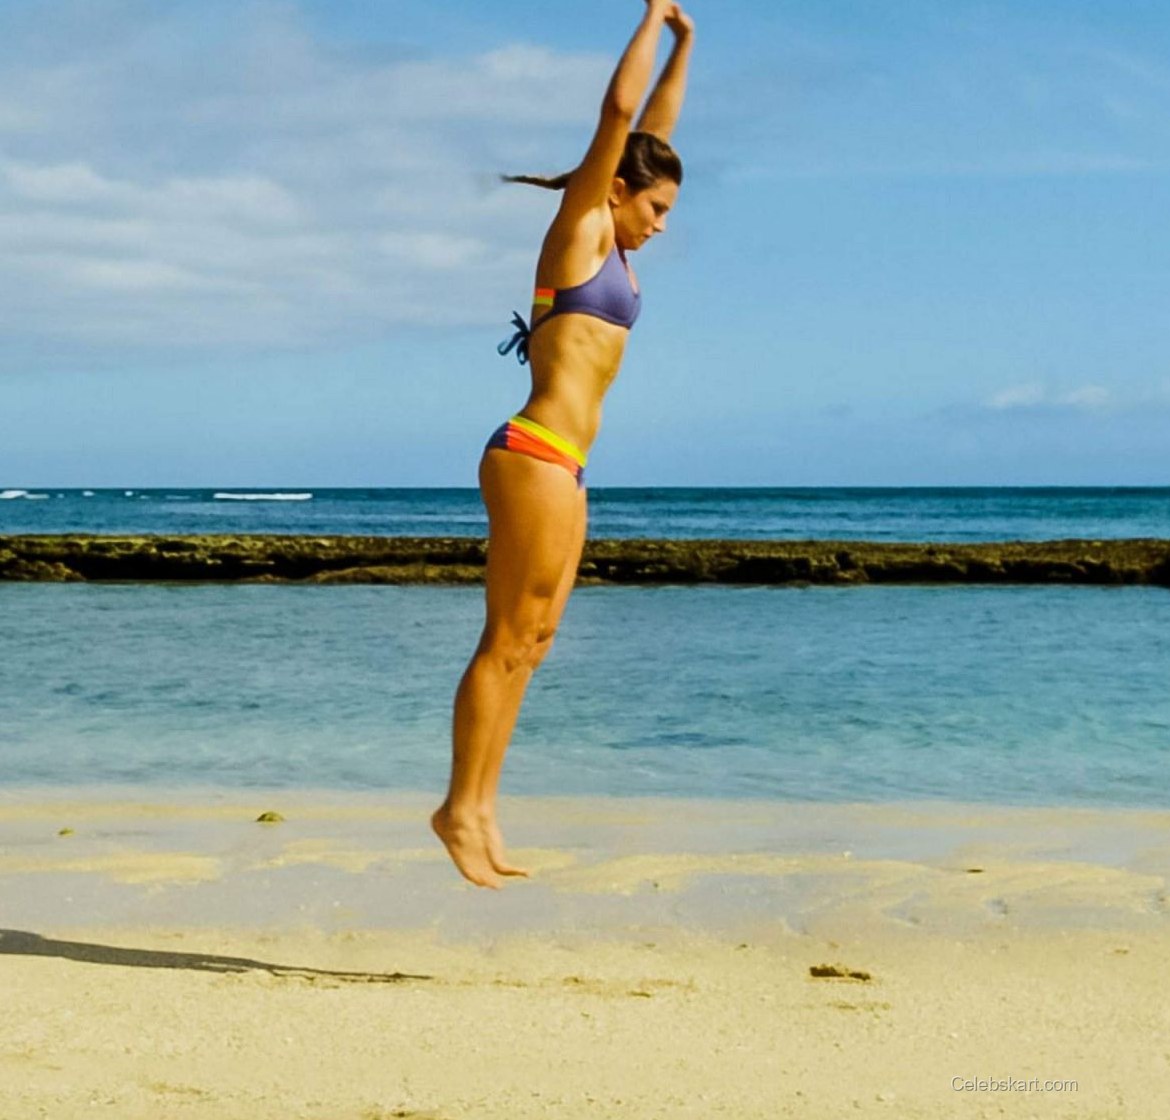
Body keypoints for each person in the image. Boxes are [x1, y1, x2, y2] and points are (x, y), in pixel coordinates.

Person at [432, 0, 694, 888]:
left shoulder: (618, 249)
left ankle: (480, 808)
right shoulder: (581, 231)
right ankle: (459, 808)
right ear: (614, 189)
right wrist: (652, 18)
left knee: (536, 640)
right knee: (507, 636)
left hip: (567, 466)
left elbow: (652, 133)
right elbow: (619, 118)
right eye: (655, 206)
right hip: (534, 451)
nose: (662, 224)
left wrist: (686, 43)